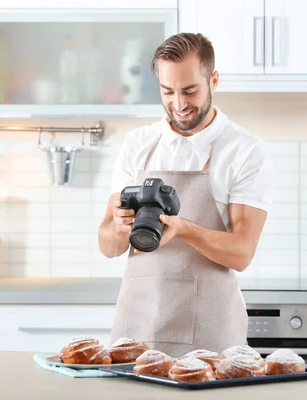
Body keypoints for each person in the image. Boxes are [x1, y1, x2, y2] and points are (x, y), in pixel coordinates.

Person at [98, 32, 275, 358]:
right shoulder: (138, 145)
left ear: (214, 80)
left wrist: (184, 229)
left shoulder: (244, 151)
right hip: (136, 332)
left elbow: (242, 252)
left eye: (190, 91)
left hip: (211, 337)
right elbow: (108, 246)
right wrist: (121, 227)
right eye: (168, 91)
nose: (179, 104)